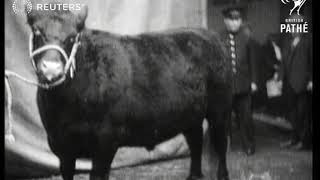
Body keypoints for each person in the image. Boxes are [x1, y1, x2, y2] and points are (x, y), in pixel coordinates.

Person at [219, 3, 259, 156]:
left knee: (246, 118)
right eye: (231, 19)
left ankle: (249, 145)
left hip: (244, 85)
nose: (235, 22)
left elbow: (253, 61)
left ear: (241, 21)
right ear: (225, 20)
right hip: (225, 86)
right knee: (224, 119)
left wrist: (254, 81)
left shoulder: (247, 37)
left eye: (238, 19)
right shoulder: (219, 37)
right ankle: (224, 146)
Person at [279, 15, 313, 150]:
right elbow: (283, 62)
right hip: (289, 84)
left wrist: (311, 80)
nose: (293, 29)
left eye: (296, 26)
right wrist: (280, 79)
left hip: (303, 84)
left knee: (303, 115)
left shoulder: (309, 40)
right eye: (291, 26)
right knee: (292, 114)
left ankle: (304, 142)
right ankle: (294, 139)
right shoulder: (287, 41)